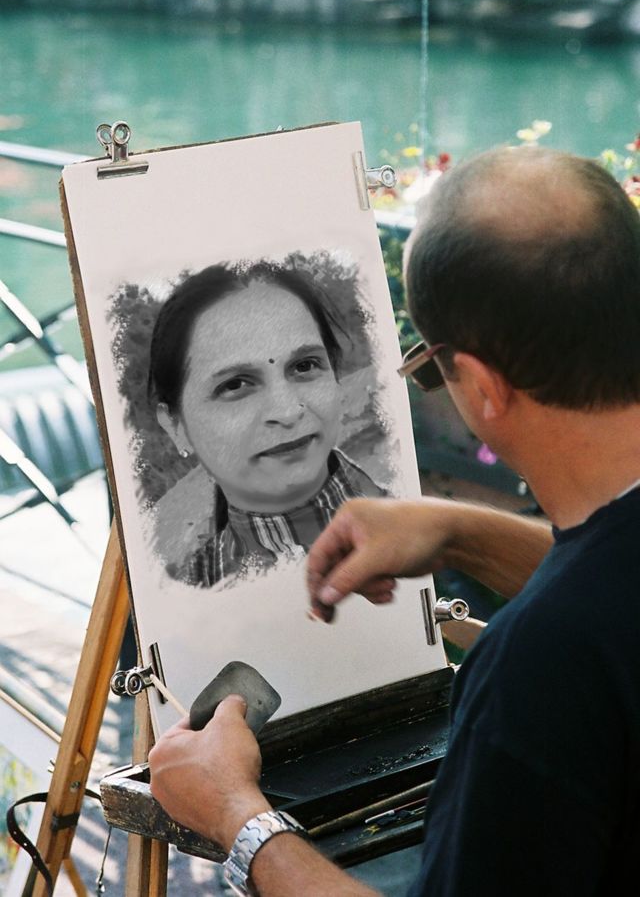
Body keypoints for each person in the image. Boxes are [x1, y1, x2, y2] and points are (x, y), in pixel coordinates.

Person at [148, 145, 640, 896]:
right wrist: (460, 531)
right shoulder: (581, 627)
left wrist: (238, 818)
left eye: (430, 369)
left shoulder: (534, 673)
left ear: (480, 385)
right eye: (238, 383)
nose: (285, 410)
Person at [148, 259, 386, 586]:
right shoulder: (188, 596)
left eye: (304, 366)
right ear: (176, 428)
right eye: (235, 385)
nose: (288, 411)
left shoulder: (421, 534)